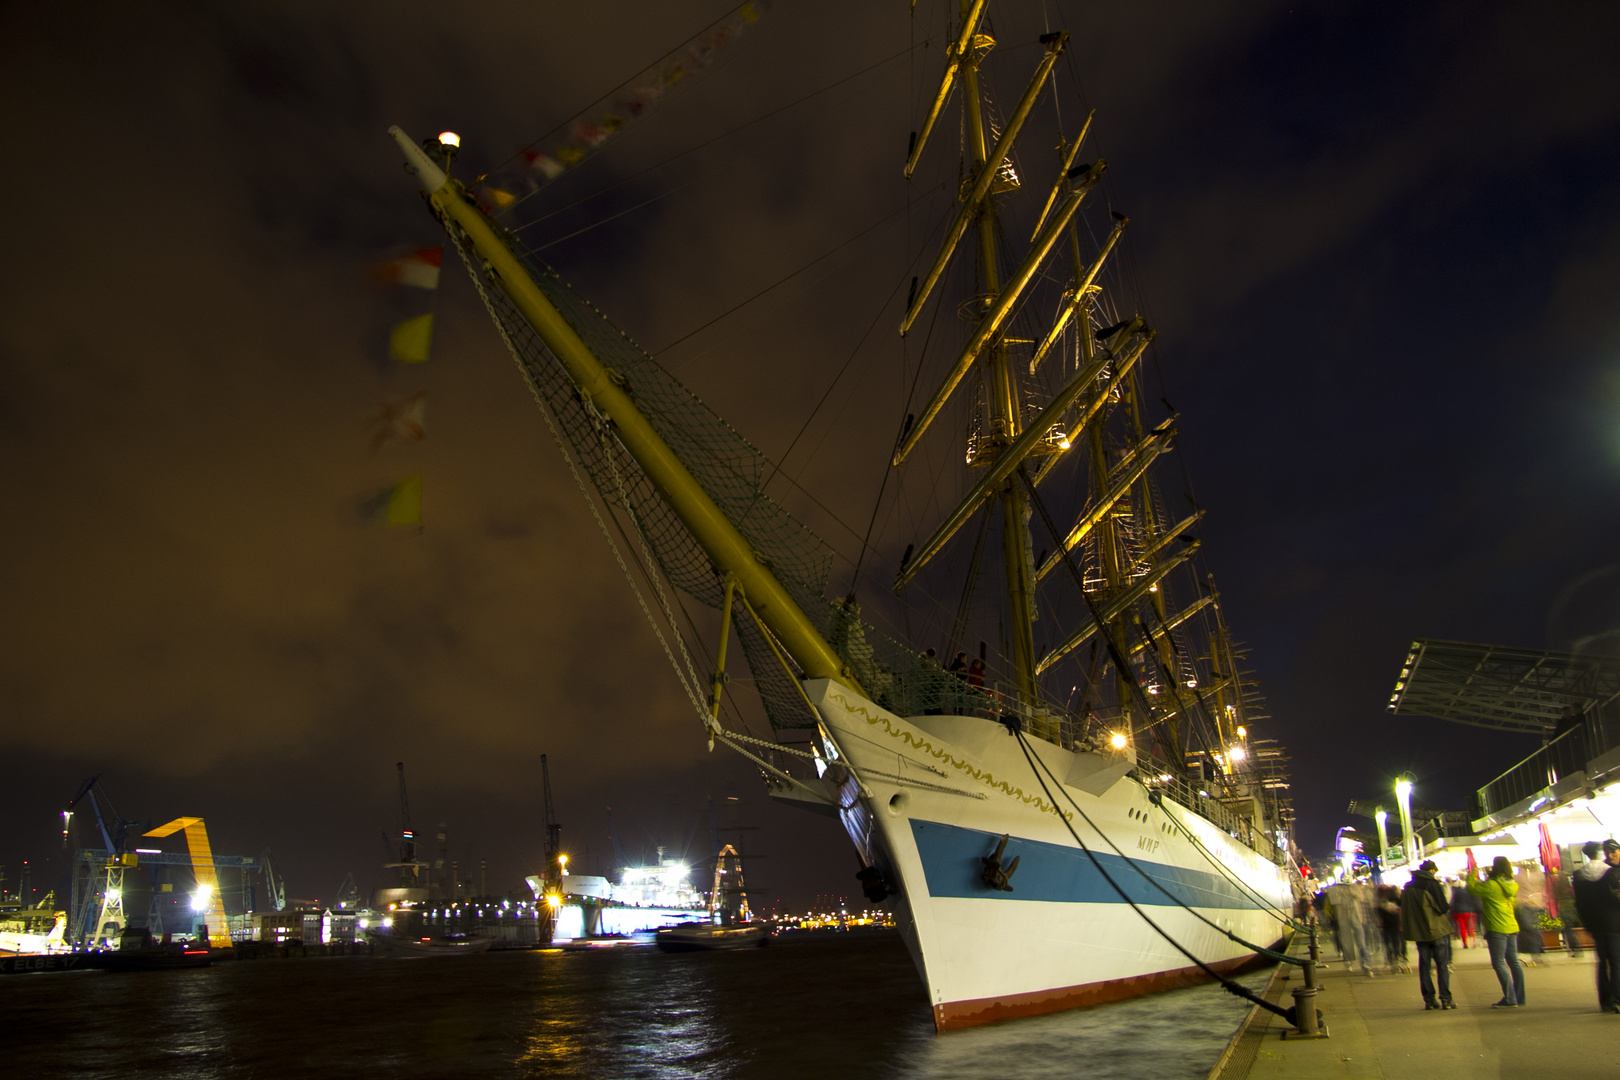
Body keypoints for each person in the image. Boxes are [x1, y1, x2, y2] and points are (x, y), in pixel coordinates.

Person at [1468, 855, 1525, 1007]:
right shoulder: (1512, 884)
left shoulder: (1491, 885)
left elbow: (1472, 888)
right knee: (1514, 961)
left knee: (1499, 962)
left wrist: (1472, 873)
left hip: (1496, 926)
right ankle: (1519, 997)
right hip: (1511, 925)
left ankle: (1510, 998)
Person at [1402, 860, 1455, 1010]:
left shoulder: (1408, 887)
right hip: (1436, 930)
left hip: (1419, 932)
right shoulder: (1432, 884)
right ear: (1432, 871)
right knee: (1442, 965)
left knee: (1425, 966)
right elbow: (1443, 907)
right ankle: (1446, 998)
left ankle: (1429, 1000)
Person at [1575, 839, 1620, 1013]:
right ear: (1600, 853)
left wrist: (1587, 924)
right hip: (1615, 923)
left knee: (1602, 961)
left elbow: (1580, 903)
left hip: (1595, 925)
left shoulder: (1579, 875)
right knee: (1616, 962)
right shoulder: (1610, 872)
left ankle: (1605, 1001)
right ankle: (1617, 999)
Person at [1376, 883, 1407, 971]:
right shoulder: (1385, 900)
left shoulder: (1390, 900)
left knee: (1392, 941)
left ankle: (1394, 956)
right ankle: (1393, 956)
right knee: (1392, 941)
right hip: (1390, 924)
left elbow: (1400, 910)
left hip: (1392, 924)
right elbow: (1379, 914)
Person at [1450, 877, 1481, 948]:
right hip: (1469, 912)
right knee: (1470, 928)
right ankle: (1473, 943)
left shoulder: (1455, 892)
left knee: (1462, 928)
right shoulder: (1469, 892)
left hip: (1458, 912)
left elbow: (1453, 902)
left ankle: (1465, 944)